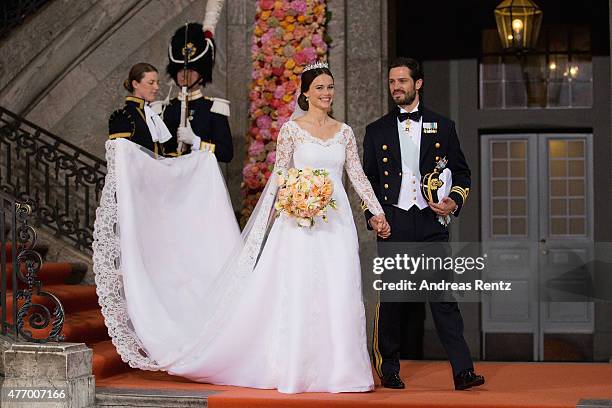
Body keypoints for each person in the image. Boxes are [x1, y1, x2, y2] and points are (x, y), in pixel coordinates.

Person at [94, 62, 390, 394]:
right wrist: (283, 211)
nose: (326, 93)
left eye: (330, 87)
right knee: (301, 290)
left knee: (340, 289)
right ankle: (296, 369)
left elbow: (357, 176)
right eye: (319, 88)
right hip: (298, 223)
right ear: (305, 93)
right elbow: (280, 177)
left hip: (337, 222)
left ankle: (343, 371)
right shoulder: (291, 131)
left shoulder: (344, 131)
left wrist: (376, 211)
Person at [362, 57, 485, 390]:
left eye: (402, 81)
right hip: (394, 222)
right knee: (392, 300)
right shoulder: (376, 130)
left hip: (431, 221)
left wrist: (453, 200)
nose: (396, 87)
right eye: (392, 82)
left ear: (418, 83)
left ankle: (462, 371)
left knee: (443, 298)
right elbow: (367, 180)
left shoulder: (443, 126)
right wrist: (372, 215)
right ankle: (389, 369)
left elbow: (461, 173)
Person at [162, 23, 233, 162]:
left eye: (191, 70)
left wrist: (197, 142)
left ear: (202, 75)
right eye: (180, 69)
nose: (184, 74)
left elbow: (226, 153)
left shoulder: (213, 108)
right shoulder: (164, 108)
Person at [108, 63, 173, 157]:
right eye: (151, 83)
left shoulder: (151, 114)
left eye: (157, 83)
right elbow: (121, 159)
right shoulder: (123, 116)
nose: (156, 87)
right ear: (135, 84)